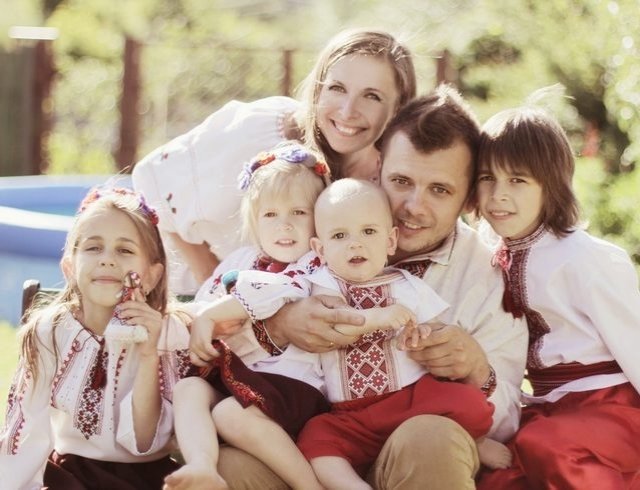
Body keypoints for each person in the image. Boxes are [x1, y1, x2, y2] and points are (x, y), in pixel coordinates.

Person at [214, 85, 529, 490]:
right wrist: (278, 323)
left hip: (416, 452)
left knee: (431, 437)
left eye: (439, 190)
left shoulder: (485, 275)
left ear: (469, 199)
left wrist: (475, 368)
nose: (413, 206)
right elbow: (217, 322)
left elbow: (507, 422)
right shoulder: (319, 218)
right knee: (228, 467)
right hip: (319, 444)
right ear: (377, 168)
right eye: (401, 181)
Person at [131, 28, 417, 291]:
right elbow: (154, 185)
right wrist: (213, 280)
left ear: (398, 108)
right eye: (337, 88)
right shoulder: (260, 131)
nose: (348, 111)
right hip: (187, 293)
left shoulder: (391, 180)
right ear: (318, 87)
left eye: (372, 96)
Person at [473, 106, 640, 489]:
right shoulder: (487, 253)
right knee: (498, 478)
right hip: (548, 406)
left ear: (550, 185)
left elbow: (635, 341)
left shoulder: (584, 258)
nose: (498, 195)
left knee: (545, 445)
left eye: (517, 180)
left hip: (611, 407)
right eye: (486, 177)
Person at [163, 142, 333, 490]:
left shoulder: (317, 264)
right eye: (270, 215)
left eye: (298, 212)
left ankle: (310, 487)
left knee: (228, 413)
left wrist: (216, 315)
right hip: (238, 382)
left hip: (294, 387)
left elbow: (275, 291)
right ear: (254, 220)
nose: (284, 225)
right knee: (189, 389)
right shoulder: (241, 260)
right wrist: (198, 322)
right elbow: (204, 303)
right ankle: (202, 465)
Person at [0, 187, 192, 489]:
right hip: (69, 476)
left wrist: (148, 354)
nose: (107, 260)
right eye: (93, 248)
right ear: (70, 267)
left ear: (152, 275)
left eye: (125, 250)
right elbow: (25, 429)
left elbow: (144, 442)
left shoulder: (170, 334)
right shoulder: (49, 331)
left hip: (148, 479)